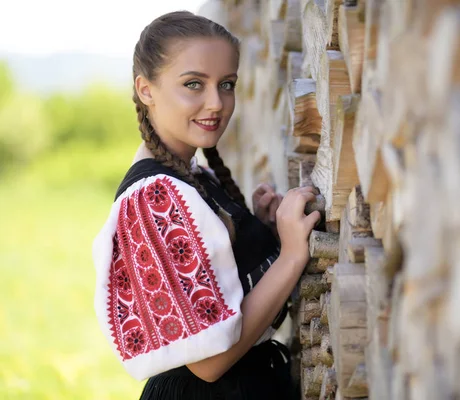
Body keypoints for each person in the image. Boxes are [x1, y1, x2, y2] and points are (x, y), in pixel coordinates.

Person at [91, 10, 321, 400]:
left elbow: (224, 292)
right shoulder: (156, 197)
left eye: (226, 84)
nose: (216, 103)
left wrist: (263, 235)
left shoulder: (193, 177)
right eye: (194, 84)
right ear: (146, 89)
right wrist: (291, 257)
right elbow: (209, 363)